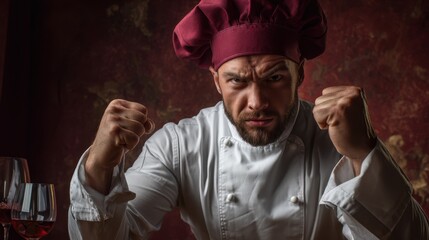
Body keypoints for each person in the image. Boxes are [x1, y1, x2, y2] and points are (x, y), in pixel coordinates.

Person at [68, 0, 429, 239]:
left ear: (299, 74)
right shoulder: (181, 146)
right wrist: (99, 166)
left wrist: (364, 152)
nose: (256, 102)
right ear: (215, 80)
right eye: (237, 81)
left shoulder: (338, 138)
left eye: (274, 78)